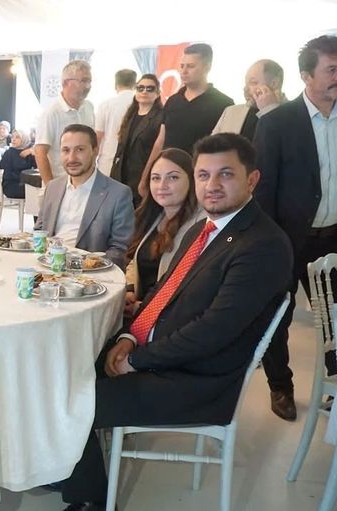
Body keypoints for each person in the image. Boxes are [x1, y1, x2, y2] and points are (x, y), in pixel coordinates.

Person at [60, 133, 293, 510]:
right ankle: (68, 466)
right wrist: (128, 338)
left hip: (198, 380)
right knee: (66, 369)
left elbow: (212, 333)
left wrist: (136, 360)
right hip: (165, 355)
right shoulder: (208, 229)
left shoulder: (262, 245)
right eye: (203, 175)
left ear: (252, 180)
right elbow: (161, 291)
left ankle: (91, 501)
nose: (212, 185)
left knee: (74, 400)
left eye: (226, 174)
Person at [253, 34, 337, 421]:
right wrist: (268, 245)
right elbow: (263, 189)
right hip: (287, 238)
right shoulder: (278, 123)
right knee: (278, 315)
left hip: (332, 237)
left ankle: (334, 386)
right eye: (331, 70)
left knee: (334, 317)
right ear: (306, 76)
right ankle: (280, 386)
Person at [35, 124, 134, 269]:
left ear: (95, 151)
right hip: (47, 266)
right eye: (66, 150)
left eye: (80, 149)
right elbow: (39, 232)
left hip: (89, 273)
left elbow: (120, 250)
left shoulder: (118, 194)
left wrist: (84, 266)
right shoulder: (53, 187)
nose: (72, 158)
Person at [124, 148, 203, 316]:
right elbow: (134, 260)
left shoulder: (199, 226)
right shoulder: (155, 216)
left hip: (167, 316)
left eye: (173, 177)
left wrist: (142, 307)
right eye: (156, 178)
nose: (162, 186)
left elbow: (187, 286)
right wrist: (130, 290)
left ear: (192, 179)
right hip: (137, 309)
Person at [144, 43, 234, 190]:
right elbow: (160, 141)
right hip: (168, 177)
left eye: (191, 66)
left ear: (207, 67)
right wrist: (146, 175)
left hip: (201, 180)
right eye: (182, 66)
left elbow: (226, 149)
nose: (184, 71)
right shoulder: (173, 101)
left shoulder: (223, 103)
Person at [35, 60, 95, 184]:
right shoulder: (51, 113)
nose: (88, 86)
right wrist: (50, 187)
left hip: (86, 182)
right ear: (66, 82)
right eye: (83, 81)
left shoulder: (89, 107)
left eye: (89, 81)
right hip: (61, 184)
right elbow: (40, 152)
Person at [110, 74, 164, 205]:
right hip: (121, 175)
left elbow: (157, 149)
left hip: (142, 176)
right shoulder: (130, 114)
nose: (144, 91)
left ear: (157, 93)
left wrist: (146, 179)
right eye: (140, 88)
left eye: (150, 89)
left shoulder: (160, 117)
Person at [213, 59, 286, 141]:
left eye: (253, 82)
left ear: (274, 83)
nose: (245, 89)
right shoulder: (231, 112)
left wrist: (269, 110)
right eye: (246, 83)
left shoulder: (293, 114)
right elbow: (210, 146)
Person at [95, 69, 137, 175]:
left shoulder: (106, 105)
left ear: (115, 85)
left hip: (107, 162)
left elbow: (98, 136)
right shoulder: (140, 105)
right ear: (135, 85)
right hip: (133, 164)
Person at [0, 129, 36, 199]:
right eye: (12, 137)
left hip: (26, 183)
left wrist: (32, 152)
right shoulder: (9, 153)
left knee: (39, 189)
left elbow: (37, 168)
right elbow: (7, 174)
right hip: (11, 185)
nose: (13, 139)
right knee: (33, 191)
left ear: (24, 139)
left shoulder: (28, 152)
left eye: (17, 137)